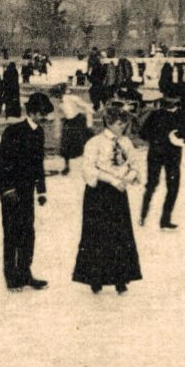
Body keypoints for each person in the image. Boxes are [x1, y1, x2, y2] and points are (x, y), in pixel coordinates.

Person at [71, 104, 142, 294]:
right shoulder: (94, 143)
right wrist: (112, 180)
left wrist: (127, 178)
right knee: (97, 235)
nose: (123, 128)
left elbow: (134, 163)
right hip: (99, 193)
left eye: (124, 124)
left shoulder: (126, 143)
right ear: (109, 123)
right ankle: (96, 277)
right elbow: (88, 169)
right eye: (119, 124)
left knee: (120, 234)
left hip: (119, 192)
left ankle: (121, 277)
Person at [0, 94, 52, 292]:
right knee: (11, 233)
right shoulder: (13, 131)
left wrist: (41, 191)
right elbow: (1, 162)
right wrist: (7, 188)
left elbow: (38, 163)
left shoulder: (39, 132)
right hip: (10, 191)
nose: (45, 118)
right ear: (32, 112)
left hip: (27, 191)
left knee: (27, 232)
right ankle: (11, 277)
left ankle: (25, 273)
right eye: (42, 114)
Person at [139, 93, 185, 229]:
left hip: (160, 153)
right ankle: (153, 217)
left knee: (158, 185)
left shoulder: (157, 115)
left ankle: (149, 217)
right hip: (169, 154)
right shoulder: (182, 116)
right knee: (165, 185)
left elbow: (143, 134)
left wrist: (159, 138)